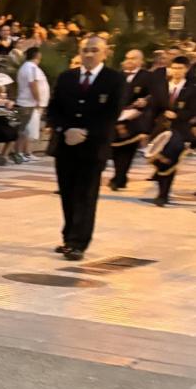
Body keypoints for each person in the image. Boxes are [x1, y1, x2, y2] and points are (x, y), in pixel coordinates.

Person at [46, 34, 125, 258]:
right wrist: (65, 129)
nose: (89, 54)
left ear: (105, 52)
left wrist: (86, 133)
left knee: (86, 194)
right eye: (85, 50)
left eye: (94, 50)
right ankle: (68, 235)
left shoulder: (114, 79)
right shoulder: (66, 77)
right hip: (66, 145)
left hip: (93, 147)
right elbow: (53, 110)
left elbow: (112, 113)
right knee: (68, 193)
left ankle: (78, 242)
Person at [109, 48, 165, 189]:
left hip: (135, 119)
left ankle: (119, 178)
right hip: (117, 119)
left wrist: (146, 101)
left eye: (133, 58)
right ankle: (119, 175)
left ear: (141, 61)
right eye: (127, 57)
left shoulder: (147, 76)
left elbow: (156, 95)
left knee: (128, 150)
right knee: (115, 150)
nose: (129, 61)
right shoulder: (117, 75)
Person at [146, 55, 194, 206]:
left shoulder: (192, 89)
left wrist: (178, 115)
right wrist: (147, 130)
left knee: (170, 161)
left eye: (180, 68)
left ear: (186, 69)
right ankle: (161, 190)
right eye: (174, 68)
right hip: (161, 129)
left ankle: (163, 195)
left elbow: (193, 111)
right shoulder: (163, 86)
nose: (176, 71)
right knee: (159, 162)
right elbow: (153, 109)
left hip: (179, 130)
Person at [14, 45, 50, 164]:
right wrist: (38, 100)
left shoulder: (28, 67)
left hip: (28, 103)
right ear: (38, 55)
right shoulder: (31, 68)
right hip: (28, 103)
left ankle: (25, 153)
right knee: (24, 130)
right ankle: (20, 153)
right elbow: (33, 84)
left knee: (27, 130)